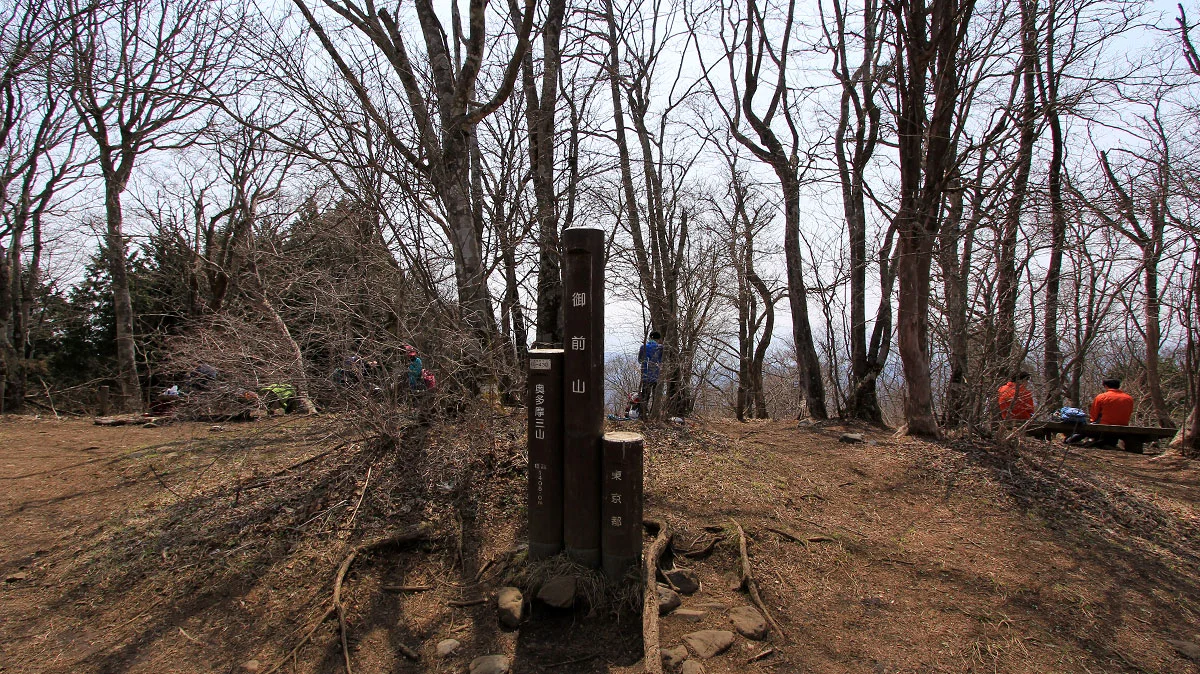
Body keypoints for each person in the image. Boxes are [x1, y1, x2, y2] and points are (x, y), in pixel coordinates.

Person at [1076, 378, 1135, 448]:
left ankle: (1070, 440)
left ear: (1106, 386)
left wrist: (1093, 421)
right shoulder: (1129, 398)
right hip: (1123, 424)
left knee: (1084, 429)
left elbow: (1094, 413)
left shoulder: (1102, 397)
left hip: (1105, 424)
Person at [637, 331, 663, 416]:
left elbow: (640, 360)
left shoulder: (643, 347)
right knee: (656, 396)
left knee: (645, 395)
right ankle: (653, 414)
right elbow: (663, 361)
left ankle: (643, 414)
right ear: (658, 339)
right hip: (657, 375)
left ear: (650, 337)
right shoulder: (661, 348)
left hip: (646, 375)